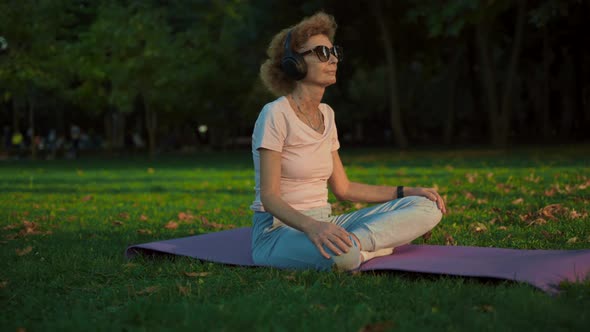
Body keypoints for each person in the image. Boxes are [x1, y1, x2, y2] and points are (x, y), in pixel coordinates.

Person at [250, 12, 446, 272]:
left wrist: (407, 191)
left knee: (427, 207)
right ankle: (363, 249)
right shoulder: (275, 114)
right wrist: (313, 227)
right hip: (279, 232)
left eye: (334, 52)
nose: (332, 59)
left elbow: (344, 188)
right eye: (321, 52)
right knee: (344, 256)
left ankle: (356, 245)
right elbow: (270, 197)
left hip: (329, 224)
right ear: (293, 63)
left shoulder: (327, 115)